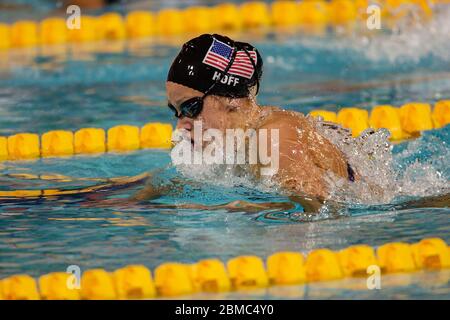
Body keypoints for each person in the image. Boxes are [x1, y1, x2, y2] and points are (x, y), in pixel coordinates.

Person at [164, 33, 356, 208]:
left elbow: (325, 207)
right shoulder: (235, 143)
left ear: (230, 97)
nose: (181, 126)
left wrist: (238, 210)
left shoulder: (272, 139)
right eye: (176, 111)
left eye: (191, 107)